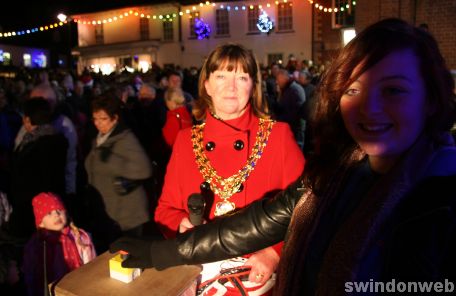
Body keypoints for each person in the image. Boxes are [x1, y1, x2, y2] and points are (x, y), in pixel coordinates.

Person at [111, 18, 456, 295]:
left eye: (394, 90)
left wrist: (272, 255)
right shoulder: (340, 169)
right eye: (353, 89)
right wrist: (163, 250)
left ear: (431, 99)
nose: (370, 107)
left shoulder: (439, 199)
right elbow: (261, 221)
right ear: (205, 85)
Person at [153, 43, 305, 293]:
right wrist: (181, 223)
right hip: (201, 276)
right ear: (207, 85)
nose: (231, 87)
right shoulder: (185, 140)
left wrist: (274, 253)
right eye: (221, 76)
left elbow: (308, 209)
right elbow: (164, 211)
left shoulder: (278, 136)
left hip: (256, 280)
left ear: (253, 87)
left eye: (241, 77)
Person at [84, 92, 152, 252]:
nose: (98, 124)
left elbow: (144, 168)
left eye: (103, 119)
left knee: (128, 261)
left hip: (127, 214)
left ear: (115, 118)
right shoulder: (99, 139)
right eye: (95, 119)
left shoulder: (125, 138)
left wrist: (110, 159)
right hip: (108, 212)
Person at [8, 98, 68, 239]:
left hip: (35, 209)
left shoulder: (35, 144)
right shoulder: (57, 139)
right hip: (51, 205)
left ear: (28, 119)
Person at [22, 192, 96, 296]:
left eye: (59, 210)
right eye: (49, 213)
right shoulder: (35, 245)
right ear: (40, 222)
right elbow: (30, 273)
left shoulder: (78, 237)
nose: (56, 214)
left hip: (76, 288)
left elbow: (91, 264)